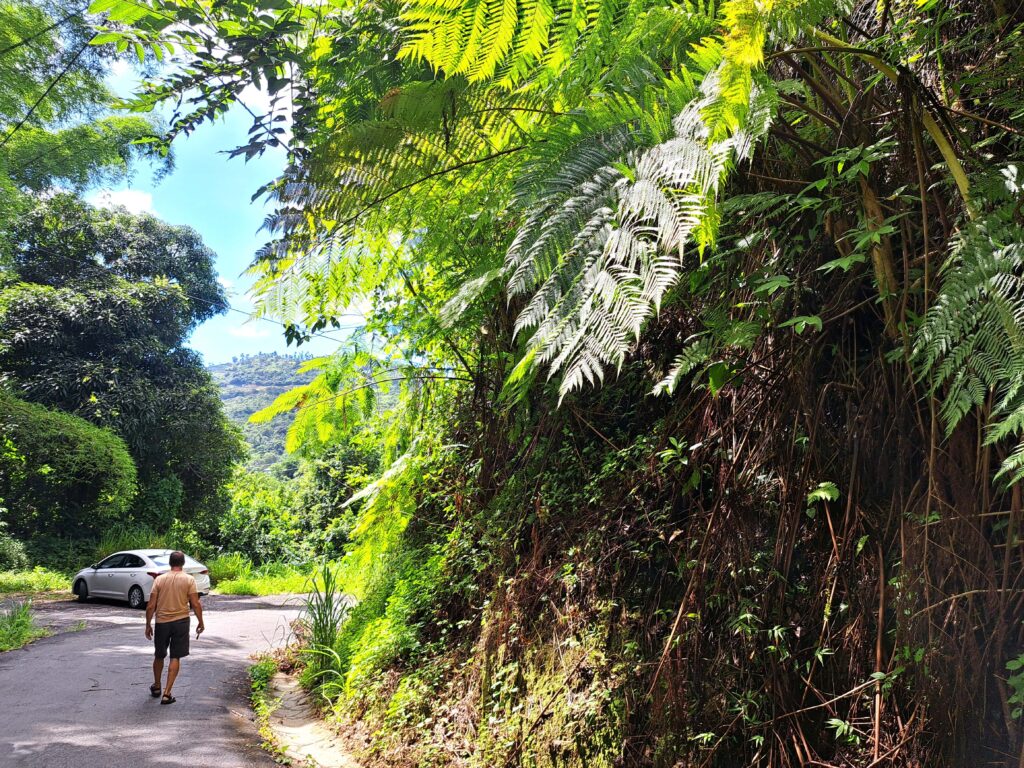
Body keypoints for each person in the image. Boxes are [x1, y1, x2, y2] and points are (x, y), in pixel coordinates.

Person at [145, 551, 205, 705]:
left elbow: (151, 605)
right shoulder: (189, 579)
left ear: (170, 563)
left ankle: (157, 686)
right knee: (175, 657)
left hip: (162, 622)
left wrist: (148, 625)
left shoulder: (159, 579)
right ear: (183, 563)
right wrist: (200, 621)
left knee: (159, 655)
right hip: (181, 622)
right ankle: (167, 694)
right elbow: (195, 603)